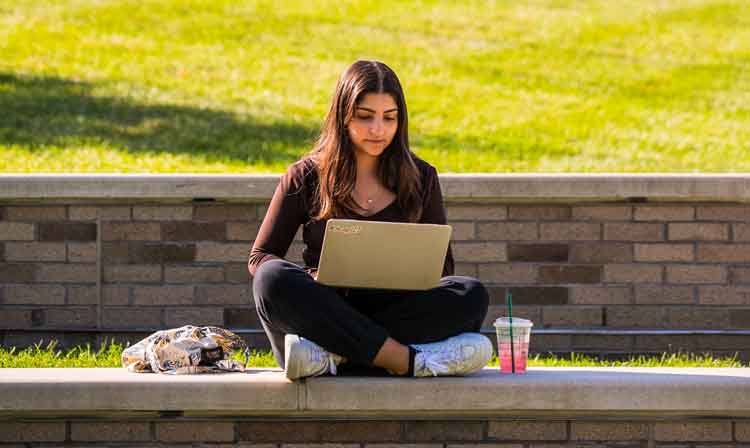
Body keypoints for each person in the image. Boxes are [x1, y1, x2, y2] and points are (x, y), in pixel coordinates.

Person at [248, 60, 491, 380]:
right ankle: (404, 359)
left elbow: (444, 268)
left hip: (391, 308)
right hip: (328, 308)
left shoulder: (422, 177)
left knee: (471, 294)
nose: (378, 129)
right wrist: (316, 275)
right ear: (343, 115)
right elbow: (260, 257)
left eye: (389, 118)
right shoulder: (305, 176)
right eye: (365, 117)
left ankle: (330, 355)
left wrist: (404, 274)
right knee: (271, 279)